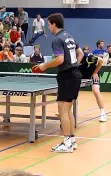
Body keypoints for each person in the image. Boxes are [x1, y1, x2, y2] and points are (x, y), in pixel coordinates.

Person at [33, 13, 84, 153]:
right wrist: (74, 65)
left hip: (67, 76)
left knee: (63, 109)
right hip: (74, 74)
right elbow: (81, 54)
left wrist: (44, 66)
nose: (48, 27)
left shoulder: (57, 39)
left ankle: (67, 142)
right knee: (68, 110)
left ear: (54, 24)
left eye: (49, 24)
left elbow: (60, 59)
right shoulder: (69, 36)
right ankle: (71, 141)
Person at [78, 45, 107, 122]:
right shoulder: (71, 58)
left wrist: (95, 73)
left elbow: (101, 61)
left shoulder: (87, 57)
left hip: (92, 74)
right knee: (72, 91)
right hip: (81, 74)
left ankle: (103, 113)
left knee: (96, 91)